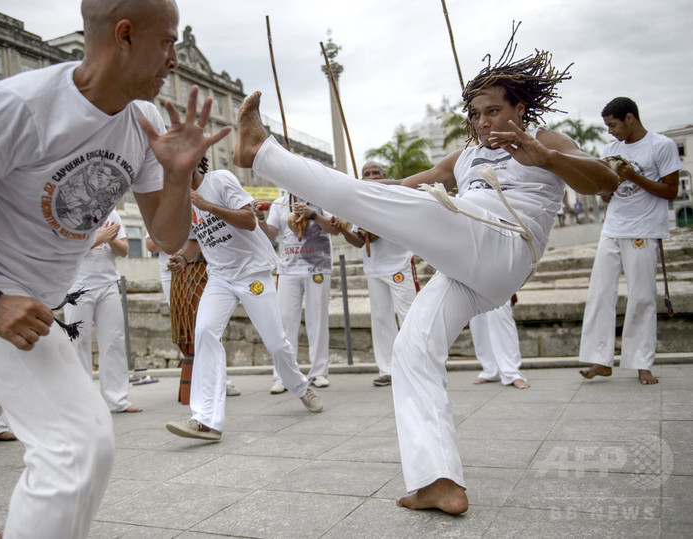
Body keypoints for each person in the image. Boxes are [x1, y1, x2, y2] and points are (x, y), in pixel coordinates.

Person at [0, 0, 230, 536]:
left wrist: (179, 176)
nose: (174, 61)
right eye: (168, 43)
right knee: (76, 445)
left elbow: (166, 236)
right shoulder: (19, 107)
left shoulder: (146, 119)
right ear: (124, 35)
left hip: (27, 301)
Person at [231, 37, 618, 514]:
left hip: (506, 241)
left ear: (520, 107)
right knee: (411, 349)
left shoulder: (550, 143)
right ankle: (440, 481)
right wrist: (366, 190)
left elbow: (606, 182)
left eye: (493, 111)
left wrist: (547, 159)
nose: (482, 123)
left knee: (403, 206)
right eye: (475, 114)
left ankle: (263, 152)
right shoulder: (466, 158)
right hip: (472, 271)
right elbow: (404, 189)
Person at [164, 159, 322, 441]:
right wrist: (181, 258)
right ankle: (206, 420)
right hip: (220, 277)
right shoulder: (181, 202)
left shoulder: (220, 180)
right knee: (204, 333)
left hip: (253, 273)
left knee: (275, 342)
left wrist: (207, 206)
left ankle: (300, 387)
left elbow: (249, 220)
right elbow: (195, 241)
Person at [579, 97, 681, 385]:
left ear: (629, 119)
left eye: (613, 125)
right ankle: (601, 360)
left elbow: (671, 191)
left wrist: (634, 176)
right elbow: (607, 192)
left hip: (644, 230)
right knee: (599, 293)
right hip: (612, 227)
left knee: (642, 296)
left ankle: (642, 364)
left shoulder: (661, 146)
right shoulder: (611, 150)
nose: (610, 132)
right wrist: (604, 184)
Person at [337, 161, 417, 387]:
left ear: (384, 175)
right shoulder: (357, 204)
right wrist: (345, 230)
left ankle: (415, 365)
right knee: (381, 318)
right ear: (361, 179)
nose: (372, 177)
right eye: (367, 174)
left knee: (408, 315)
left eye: (376, 173)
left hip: (399, 265)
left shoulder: (395, 196)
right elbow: (360, 242)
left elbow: (390, 230)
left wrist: (374, 225)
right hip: (374, 269)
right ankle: (388, 369)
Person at [257, 194, 338, 393]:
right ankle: (283, 376)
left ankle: (319, 372)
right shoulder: (280, 202)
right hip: (288, 270)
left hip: (317, 267)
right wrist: (259, 218)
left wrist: (313, 215)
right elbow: (268, 235)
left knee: (317, 320)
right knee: (284, 323)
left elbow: (334, 229)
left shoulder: (321, 199)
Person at [64, 209, 143, 413]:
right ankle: (82, 403)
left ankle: (117, 400)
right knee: (78, 343)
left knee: (114, 341)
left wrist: (110, 240)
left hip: (107, 284)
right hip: (76, 288)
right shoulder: (69, 214)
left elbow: (124, 250)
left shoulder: (112, 215)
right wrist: (100, 238)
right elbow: (65, 250)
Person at [147, 233, 241, 396]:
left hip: (201, 267)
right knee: (184, 327)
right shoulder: (161, 209)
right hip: (170, 273)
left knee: (209, 325)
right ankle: (199, 380)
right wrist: (179, 241)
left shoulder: (197, 209)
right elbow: (150, 245)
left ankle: (221, 380)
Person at [469, 295, 529, 389]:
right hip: (471, 284)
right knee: (478, 321)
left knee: (501, 317)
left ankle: (511, 372)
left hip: (497, 283)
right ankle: (491, 370)